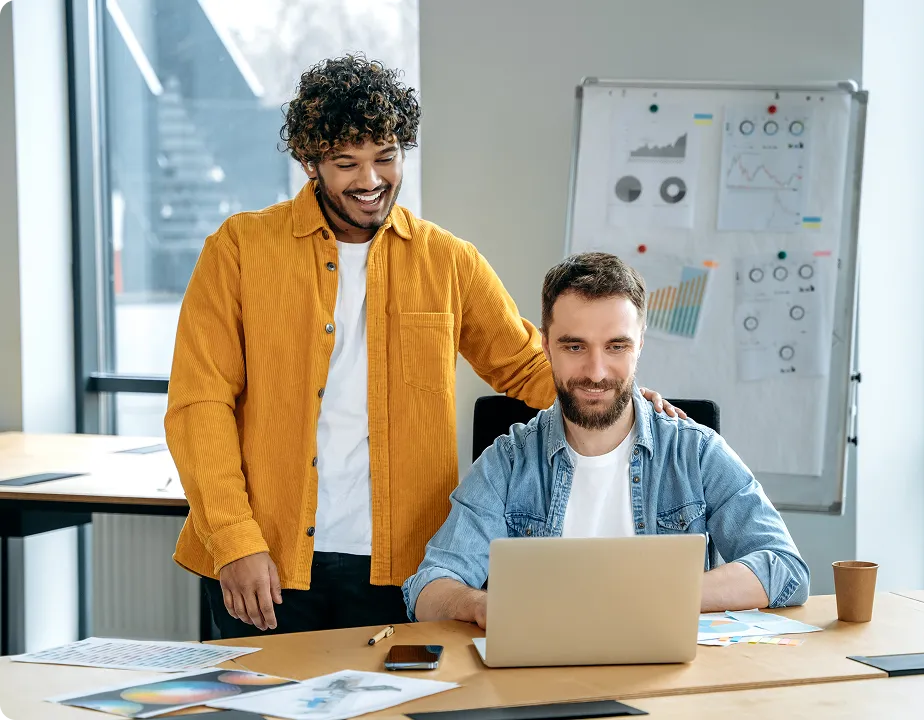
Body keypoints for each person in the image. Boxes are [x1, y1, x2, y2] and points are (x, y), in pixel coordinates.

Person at [166, 54, 681, 639]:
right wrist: (233, 540)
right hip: (266, 562)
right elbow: (197, 405)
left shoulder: (446, 261)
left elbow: (524, 365)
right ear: (309, 161)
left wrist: (628, 401)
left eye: (386, 157)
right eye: (346, 163)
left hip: (401, 568)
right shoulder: (238, 250)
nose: (370, 180)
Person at [404, 252, 810, 626]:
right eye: (575, 346)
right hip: (540, 680)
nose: (596, 372)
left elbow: (784, 568)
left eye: (616, 346)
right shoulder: (508, 462)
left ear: (640, 344)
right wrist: (482, 605)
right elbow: (428, 588)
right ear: (546, 345)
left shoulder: (695, 452)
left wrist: (657, 596)